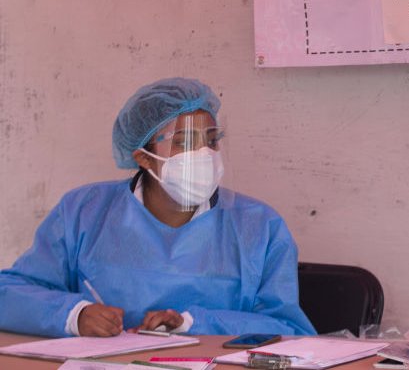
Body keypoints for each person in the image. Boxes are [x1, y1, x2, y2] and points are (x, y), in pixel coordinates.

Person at [0, 77, 316, 337]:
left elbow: (288, 329)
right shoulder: (84, 212)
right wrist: (74, 315)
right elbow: (10, 293)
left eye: (211, 139)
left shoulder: (258, 226)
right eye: (185, 141)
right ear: (142, 156)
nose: (204, 153)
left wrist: (192, 324)